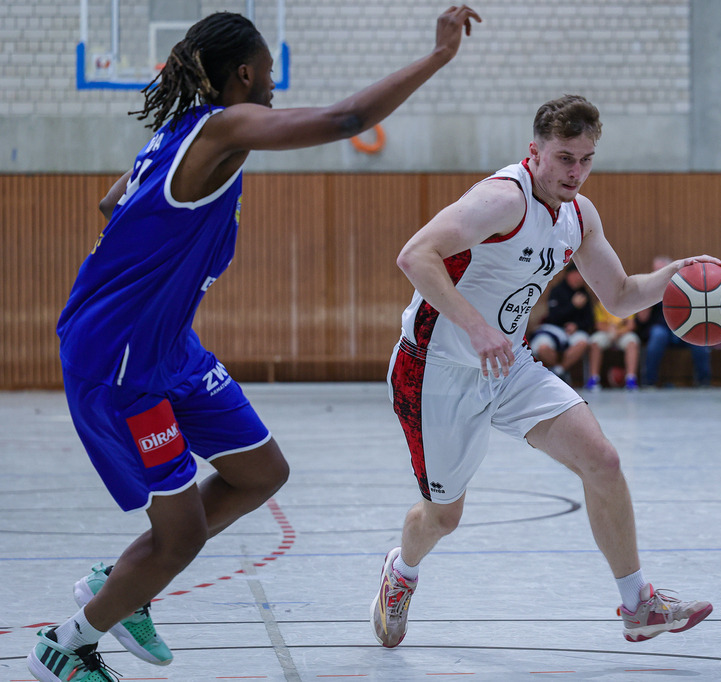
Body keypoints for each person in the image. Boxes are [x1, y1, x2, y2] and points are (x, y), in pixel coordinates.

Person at [29, 7, 481, 681]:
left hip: (166, 348)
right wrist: (437, 58)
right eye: (268, 72)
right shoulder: (224, 126)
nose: (273, 85)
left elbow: (110, 201)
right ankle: (69, 644)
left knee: (262, 473)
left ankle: (119, 581)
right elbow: (345, 122)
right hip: (120, 360)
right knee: (178, 537)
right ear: (244, 73)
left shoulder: (178, 136)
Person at [375, 94, 721, 649]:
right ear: (533, 152)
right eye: (564, 157)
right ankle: (402, 571)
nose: (576, 172)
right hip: (437, 370)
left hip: (508, 366)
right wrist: (473, 325)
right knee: (443, 519)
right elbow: (415, 255)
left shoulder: (579, 216)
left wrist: (677, 276)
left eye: (586, 159)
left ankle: (639, 605)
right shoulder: (500, 200)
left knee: (602, 460)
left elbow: (620, 293)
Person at [637, 255, 712, 388]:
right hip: (662, 328)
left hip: (684, 327)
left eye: (661, 271)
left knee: (699, 337)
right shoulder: (649, 287)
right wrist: (648, 293)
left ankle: (703, 381)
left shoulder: (685, 286)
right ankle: (649, 382)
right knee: (658, 335)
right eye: (655, 272)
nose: (657, 275)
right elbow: (642, 318)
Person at [529, 262, 594, 384]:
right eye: (576, 274)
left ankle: (559, 371)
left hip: (575, 332)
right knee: (543, 348)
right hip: (553, 329)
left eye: (581, 275)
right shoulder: (557, 291)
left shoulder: (585, 294)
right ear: (568, 275)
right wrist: (573, 306)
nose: (578, 278)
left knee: (583, 343)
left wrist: (576, 326)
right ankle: (557, 372)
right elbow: (553, 317)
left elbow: (590, 321)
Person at [586, 302, 641, 391]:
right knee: (594, 343)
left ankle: (631, 379)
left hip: (623, 333)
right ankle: (593, 379)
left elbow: (631, 325)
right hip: (606, 332)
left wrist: (617, 333)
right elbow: (599, 325)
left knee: (632, 342)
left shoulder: (628, 302)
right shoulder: (601, 303)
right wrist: (610, 331)